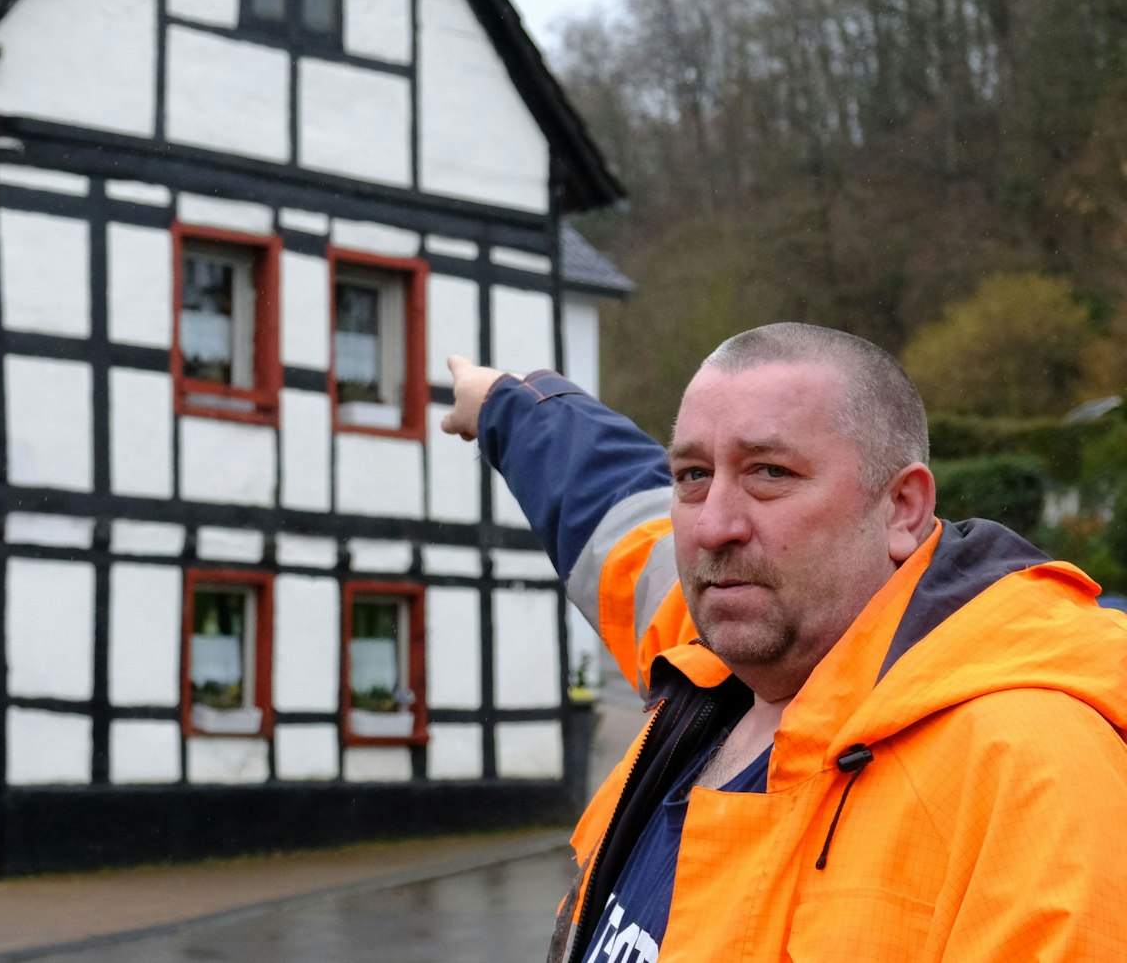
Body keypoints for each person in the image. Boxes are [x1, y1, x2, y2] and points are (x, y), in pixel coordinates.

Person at [438, 322, 1127, 962]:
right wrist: (505, 404)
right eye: (692, 474)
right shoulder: (717, 654)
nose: (713, 526)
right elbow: (612, 507)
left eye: (770, 472)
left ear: (902, 508)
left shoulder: (1036, 774)